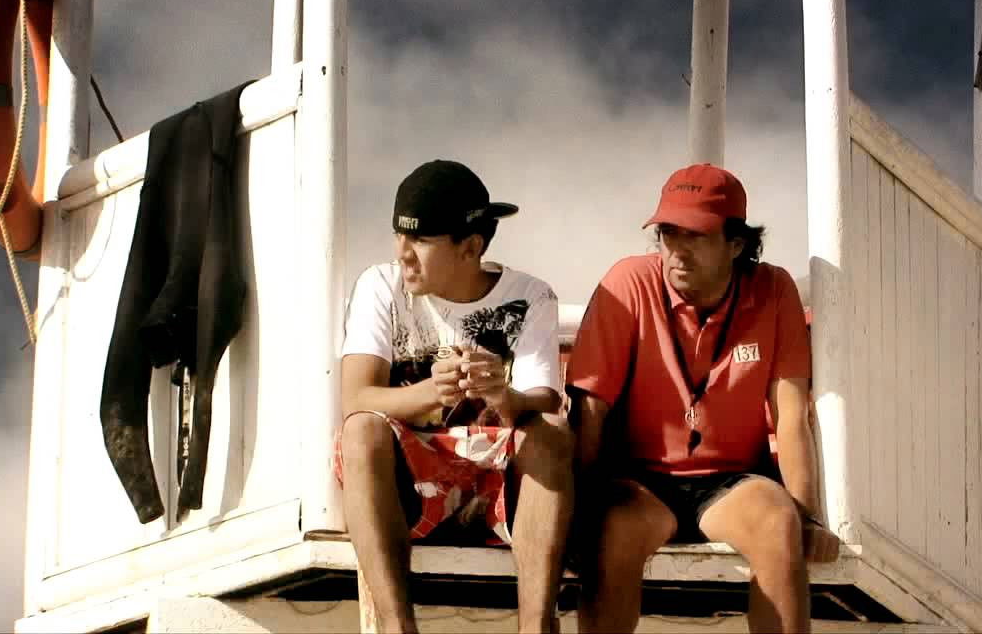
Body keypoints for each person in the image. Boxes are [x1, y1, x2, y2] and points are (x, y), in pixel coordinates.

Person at [567, 163, 841, 634]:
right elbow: (589, 407)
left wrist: (807, 516)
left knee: (780, 522)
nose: (677, 249)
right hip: (639, 482)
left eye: (695, 235)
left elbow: (791, 414)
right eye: (668, 233)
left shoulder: (773, 290)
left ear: (737, 244)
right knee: (611, 531)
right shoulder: (630, 281)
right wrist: (578, 509)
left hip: (733, 481)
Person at [337, 160, 574, 633]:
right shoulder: (380, 285)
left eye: (421, 240)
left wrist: (501, 394)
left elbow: (544, 401)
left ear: (470, 247)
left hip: (498, 482)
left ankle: (535, 628)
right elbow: (356, 397)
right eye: (399, 235)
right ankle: (396, 628)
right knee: (360, 431)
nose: (404, 253)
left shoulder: (530, 296)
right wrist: (431, 392)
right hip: (410, 482)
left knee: (551, 433)